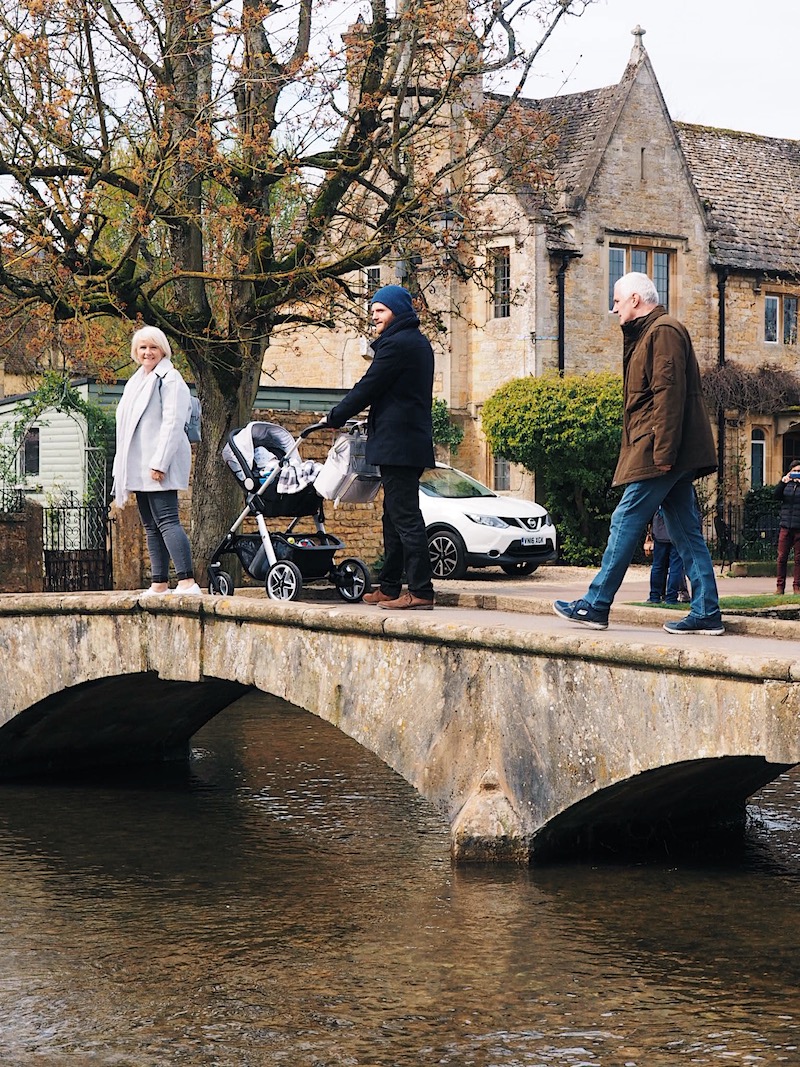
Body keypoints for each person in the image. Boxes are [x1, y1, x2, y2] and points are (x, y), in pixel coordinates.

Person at [553, 271, 723, 635]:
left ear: (635, 299)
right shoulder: (650, 332)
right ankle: (707, 611)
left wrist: (663, 452)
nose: (613, 309)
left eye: (617, 301)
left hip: (658, 450)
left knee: (625, 520)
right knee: (686, 532)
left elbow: (668, 394)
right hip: (665, 450)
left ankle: (596, 604)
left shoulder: (662, 331)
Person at [323, 284, 436, 610]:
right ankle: (389, 586)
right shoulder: (413, 342)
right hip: (406, 442)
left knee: (405, 517)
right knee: (393, 517)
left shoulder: (397, 345)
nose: (374, 315)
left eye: (381, 309)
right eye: (372, 309)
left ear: (397, 311)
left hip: (399, 443)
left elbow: (368, 387)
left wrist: (335, 416)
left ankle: (421, 591)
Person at [113, 326, 201, 596]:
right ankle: (159, 583)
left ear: (163, 349)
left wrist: (160, 463)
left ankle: (187, 582)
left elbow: (173, 424)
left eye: (153, 347)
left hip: (157, 465)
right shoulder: (136, 382)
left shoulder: (170, 379)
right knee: (151, 525)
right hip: (138, 466)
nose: (147, 352)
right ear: (135, 352)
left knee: (168, 521)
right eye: (142, 347)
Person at [647, 507, 690, 605]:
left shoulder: (658, 493)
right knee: (676, 567)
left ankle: (654, 596)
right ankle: (671, 597)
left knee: (657, 566)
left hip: (659, 531)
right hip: (677, 532)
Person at [774, 462, 800, 594]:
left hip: (798, 527)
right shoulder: (786, 485)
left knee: (798, 559)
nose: (797, 473)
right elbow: (776, 496)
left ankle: (797, 587)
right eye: (794, 470)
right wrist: (783, 482)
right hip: (785, 525)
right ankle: (780, 587)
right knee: (782, 557)